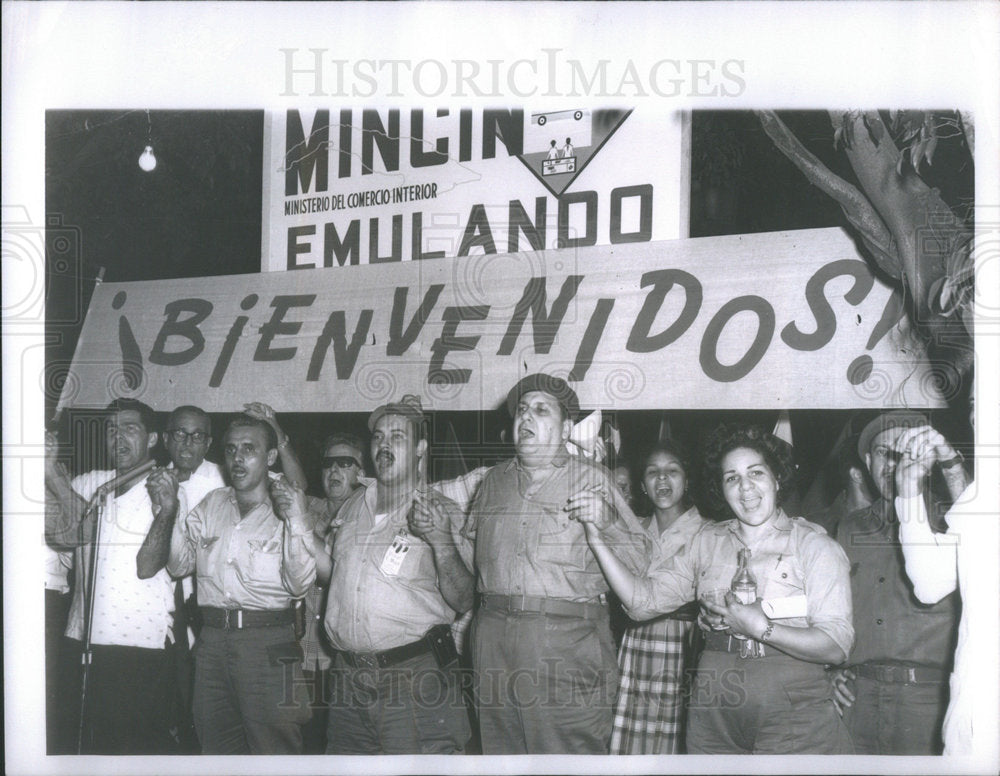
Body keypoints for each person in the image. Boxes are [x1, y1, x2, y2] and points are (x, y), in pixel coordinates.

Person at [577, 424, 854, 754]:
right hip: (712, 709)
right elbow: (641, 603)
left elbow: (836, 645)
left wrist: (763, 628)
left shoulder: (815, 546)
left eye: (756, 473)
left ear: (777, 479)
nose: (745, 487)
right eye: (731, 477)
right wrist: (597, 540)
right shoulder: (706, 541)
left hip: (791, 709)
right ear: (722, 489)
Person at [462, 373, 651, 754]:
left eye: (540, 410)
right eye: (520, 410)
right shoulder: (492, 482)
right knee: (500, 757)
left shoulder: (592, 479)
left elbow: (643, 561)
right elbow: (471, 560)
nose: (525, 418)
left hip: (564, 645)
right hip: (492, 641)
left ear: (566, 428)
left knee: (566, 757)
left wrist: (610, 520)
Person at [318, 395, 473, 754]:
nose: (384, 445)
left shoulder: (440, 510)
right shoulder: (351, 507)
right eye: (378, 437)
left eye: (398, 437)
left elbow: (464, 599)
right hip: (348, 680)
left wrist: (440, 540)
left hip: (413, 678)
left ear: (420, 449)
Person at [166, 414, 315, 754]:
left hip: (268, 645)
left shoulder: (288, 506)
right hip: (212, 644)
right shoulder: (211, 505)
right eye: (231, 449)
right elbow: (177, 566)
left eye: (249, 449)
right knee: (216, 751)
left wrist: (296, 519)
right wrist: (172, 508)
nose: (237, 458)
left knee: (274, 753)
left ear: (271, 458)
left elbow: (299, 585)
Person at [44, 398, 180, 754]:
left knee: (132, 747)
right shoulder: (91, 482)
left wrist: (167, 512)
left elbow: (147, 566)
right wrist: (53, 476)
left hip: (138, 642)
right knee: (82, 743)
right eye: (110, 429)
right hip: (82, 635)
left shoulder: (165, 484)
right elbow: (65, 537)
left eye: (129, 428)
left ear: (152, 438)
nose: (118, 437)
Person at [830, 411, 960, 755]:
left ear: (927, 461)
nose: (895, 465)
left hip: (929, 702)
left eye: (907, 454)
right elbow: (830, 612)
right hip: (857, 700)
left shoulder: (954, 522)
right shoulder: (848, 529)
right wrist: (829, 672)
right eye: (885, 454)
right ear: (869, 461)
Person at [610, 439, 708, 754]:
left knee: (676, 743)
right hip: (636, 644)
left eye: (672, 471)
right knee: (631, 744)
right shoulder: (631, 531)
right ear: (642, 485)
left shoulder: (710, 532)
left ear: (687, 480)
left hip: (686, 646)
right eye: (653, 472)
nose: (662, 479)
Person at [299, 431, 369, 752]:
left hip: (342, 660)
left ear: (361, 472)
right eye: (329, 464)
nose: (335, 471)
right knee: (302, 741)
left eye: (345, 463)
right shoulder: (308, 510)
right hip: (300, 655)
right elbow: (292, 484)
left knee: (341, 745)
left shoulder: (369, 519)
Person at [161, 404, 225, 750]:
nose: (188, 443)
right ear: (167, 439)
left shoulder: (227, 478)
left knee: (209, 703)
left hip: (210, 607)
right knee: (173, 696)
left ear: (209, 442)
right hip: (165, 606)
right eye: (180, 434)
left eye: (197, 435)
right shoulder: (153, 480)